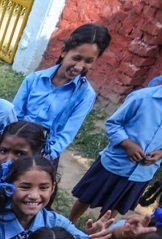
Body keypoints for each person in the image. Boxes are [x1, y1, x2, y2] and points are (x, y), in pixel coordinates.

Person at [69, 47, 162, 222]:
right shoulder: (142, 98)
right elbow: (113, 123)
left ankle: (96, 234)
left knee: (116, 205)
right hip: (115, 162)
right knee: (87, 196)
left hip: (144, 171)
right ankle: (69, 222)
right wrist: (127, 144)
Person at [12, 24, 111, 160]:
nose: (79, 66)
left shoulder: (85, 95)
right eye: (76, 58)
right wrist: (13, 144)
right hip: (15, 142)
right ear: (64, 51)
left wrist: (44, 157)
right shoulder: (34, 80)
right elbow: (15, 115)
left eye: (88, 61)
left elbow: (66, 134)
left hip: (44, 154)